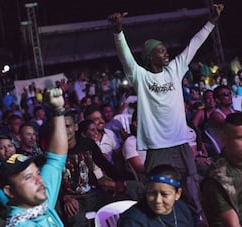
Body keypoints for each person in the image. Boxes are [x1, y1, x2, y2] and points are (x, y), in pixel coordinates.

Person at [108, 5, 224, 225]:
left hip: (180, 143)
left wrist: (211, 21)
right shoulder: (140, 77)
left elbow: (194, 45)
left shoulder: (175, 69)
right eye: (161, 50)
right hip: (157, 147)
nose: (166, 52)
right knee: (158, 192)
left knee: (191, 191)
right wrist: (118, 31)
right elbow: (125, 58)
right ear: (150, 57)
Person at [0, 88, 68, 226]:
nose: (39, 180)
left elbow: (55, 160)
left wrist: (58, 110)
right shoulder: (22, 224)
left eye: (37, 173)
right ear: (10, 191)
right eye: (28, 177)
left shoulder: (37, 201)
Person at [60, 113, 127, 227]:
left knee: (115, 211)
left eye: (68, 126)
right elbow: (52, 179)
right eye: (61, 127)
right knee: (77, 220)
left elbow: (103, 163)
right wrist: (64, 197)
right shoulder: (54, 150)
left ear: (75, 127)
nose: (65, 131)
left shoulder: (87, 144)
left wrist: (119, 180)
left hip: (93, 193)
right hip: (72, 198)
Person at [118, 164, 194, 227]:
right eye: (152, 193)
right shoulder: (132, 221)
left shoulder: (182, 208)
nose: (158, 200)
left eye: (164, 194)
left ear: (178, 194)